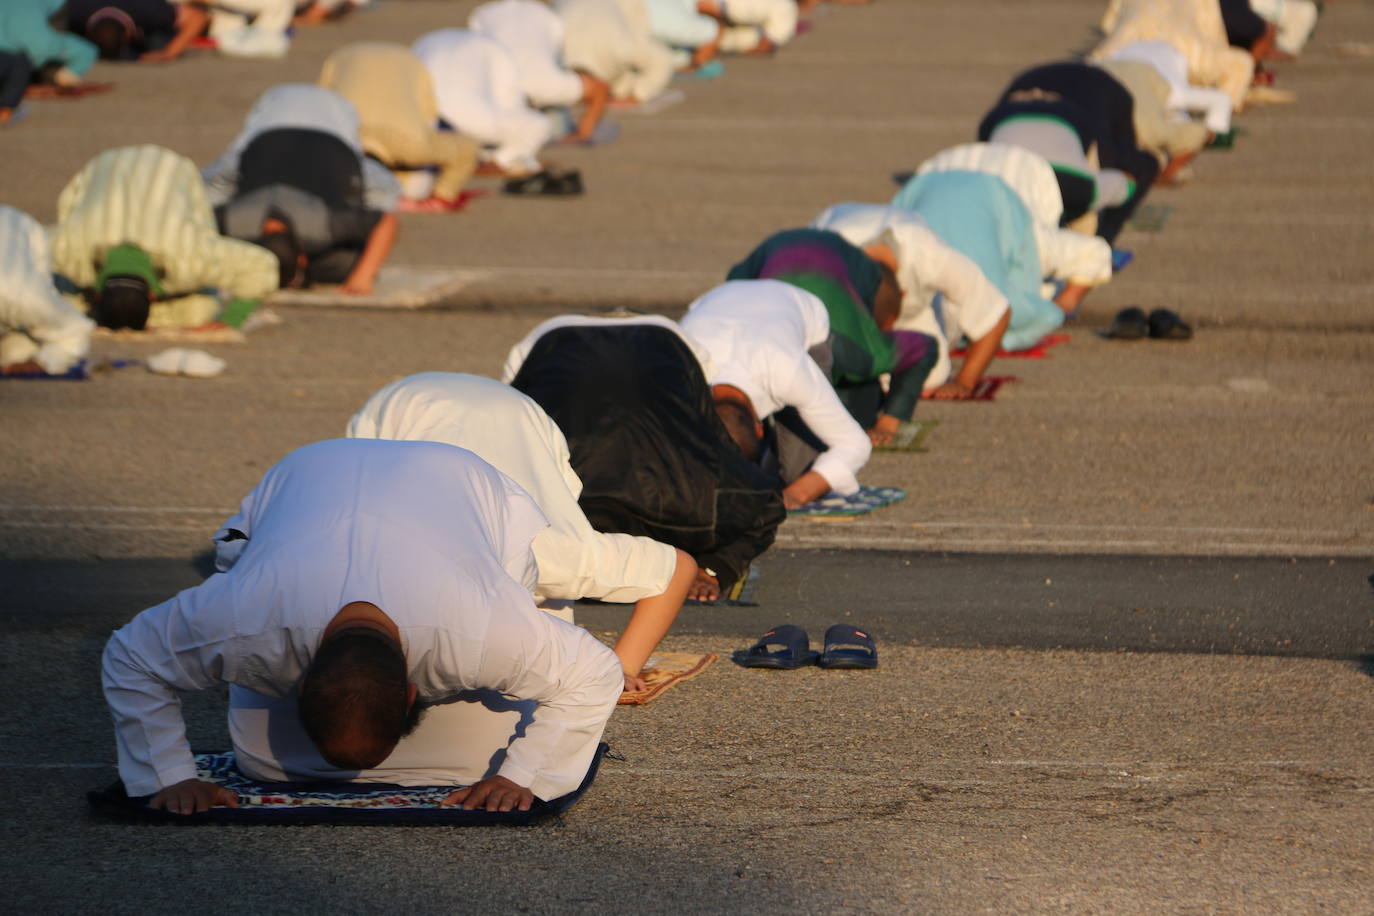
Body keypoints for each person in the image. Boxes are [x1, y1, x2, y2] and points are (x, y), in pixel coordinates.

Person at [102, 438, 625, 814]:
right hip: (305, 471)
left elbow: (594, 672)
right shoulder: (241, 621)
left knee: (511, 592)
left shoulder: (486, 631)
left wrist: (524, 775)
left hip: (462, 477)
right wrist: (169, 776)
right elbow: (129, 655)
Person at [347, 372, 697, 688]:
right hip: (406, 405)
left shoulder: (563, 555)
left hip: (507, 411)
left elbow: (678, 568)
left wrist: (622, 668)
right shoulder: (412, 556)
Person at [504, 312, 785, 602]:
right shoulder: (690, 350)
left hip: (571, 504)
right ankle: (701, 570)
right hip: (666, 500)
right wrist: (714, 569)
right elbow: (766, 505)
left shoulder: (531, 346)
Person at [726, 228, 939, 445]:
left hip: (780, 248)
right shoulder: (864, 349)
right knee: (857, 404)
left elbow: (732, 288)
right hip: (813, 266)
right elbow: (925, 347)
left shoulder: (855, 337)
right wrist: (890, 422)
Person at [678, 280, 872, 509]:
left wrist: (793, 496)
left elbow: (855, 444)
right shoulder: (681, 369)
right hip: (714, 300)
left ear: (759, 428)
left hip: (798, 305)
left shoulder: (788, 371)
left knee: (797, 470)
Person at [50, 145, 279, 331]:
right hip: (106, 164)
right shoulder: (69, 246)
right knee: (199, 309)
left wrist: (229, 322)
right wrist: (229, 321)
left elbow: (262, 265)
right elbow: (262, 264)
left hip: (156, 167)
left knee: (65, 304)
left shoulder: (190, 256)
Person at [889, 169, 1112, 359]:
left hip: (943, 179)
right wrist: (1060, 309)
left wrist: (1061, 306)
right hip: (943, 179)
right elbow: (1045, 316)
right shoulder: (993, 290)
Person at [204, 84, 401, 295]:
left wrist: (363, 276)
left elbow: (385, 219)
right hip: (293, 118)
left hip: (316, 126)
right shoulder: (237, 220)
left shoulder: (317, 223)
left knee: (350, 257)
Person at [811, 203, 1011, 401]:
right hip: (838, 231)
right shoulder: (827, 260)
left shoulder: (928, 254)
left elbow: (997, 312)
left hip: (913, 301)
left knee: (931, 375)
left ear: (904, 294)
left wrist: (965, 381)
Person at [983, 61, 1162, 242]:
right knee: (1127, 171)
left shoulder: (1081, 188)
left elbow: (1122, 184)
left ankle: (1100, 246)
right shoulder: (991, 188)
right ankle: (1098, 246)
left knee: (1125, 165)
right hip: (1016, 104)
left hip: (1088, 93)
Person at [319, 42, 481, 212]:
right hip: (403, 140)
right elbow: (429, 115)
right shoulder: (412, 62)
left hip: (346, 133)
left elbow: (323, 98)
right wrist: (442, 195)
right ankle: (431, 197)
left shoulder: (339, 56)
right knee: (420, 184)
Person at [412, 29, 578, 193]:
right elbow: (512, 107)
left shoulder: (430, 38)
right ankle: (498, 162)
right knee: (538, 125)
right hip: (465, 115)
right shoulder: (496, 49)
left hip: (414, 113)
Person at [469, 0, 612, 143]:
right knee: (557, 124)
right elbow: (601, 89)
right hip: (544, 86)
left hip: (497, 91)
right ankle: (575, 132)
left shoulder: (481, 14)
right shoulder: (550, 15)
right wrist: (583, 132)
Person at [1093, 0, 1254, 112]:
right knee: (1242, 63)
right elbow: (1211, 27)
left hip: (1123, 45)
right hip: (1184, 49)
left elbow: (1108, 25)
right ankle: (1222, 110)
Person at [1095, 48, 1213, 185]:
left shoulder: (1098, 66)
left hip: (1106, 133)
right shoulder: (1146, 68)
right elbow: (1166, 99)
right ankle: (1166, 174)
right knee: (1201, 132)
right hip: (1149, 130)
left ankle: (1123, 172)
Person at [0, 206, 94, 375]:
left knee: (19, 353)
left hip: (21, 232)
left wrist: (44, 361)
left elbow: (75, 330)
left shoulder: (17, 295)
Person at [555, 0, 675, 105]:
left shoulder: (620, 48)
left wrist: (638, 95)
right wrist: (637, 95)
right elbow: (663, 59)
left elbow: (662, 60)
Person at [66, 0, 209, 63]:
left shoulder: (148, 10)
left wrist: (169, 53)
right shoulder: (73, 10)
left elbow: (198, 17)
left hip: (145, 14)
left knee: (158, 41)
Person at [0, 0, 97, 89]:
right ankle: (58, 75)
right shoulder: (41, 42)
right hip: (31, 52)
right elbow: (87, 52)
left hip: (19, 55)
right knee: (85, 53)